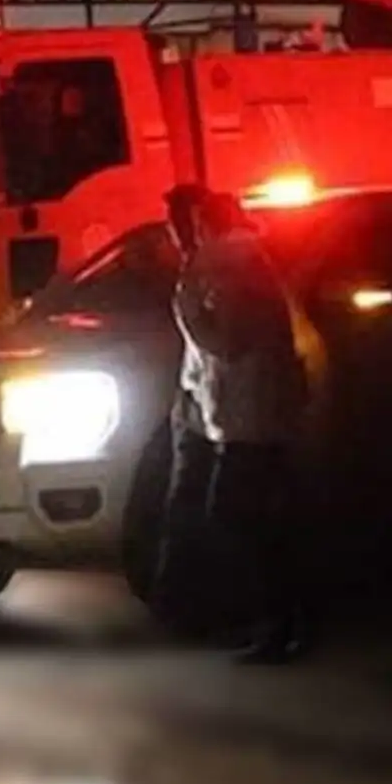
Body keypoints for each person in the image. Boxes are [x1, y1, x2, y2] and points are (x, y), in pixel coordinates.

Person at [170, 187, 313, 663]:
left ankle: (270, 622)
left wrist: (186, 309)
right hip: (259, 414)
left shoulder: (231, 265)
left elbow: (227, 343)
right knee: (266, 520)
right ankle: (282, 622)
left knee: (233, 517)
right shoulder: (247, 258)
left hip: (248, 418)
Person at [152, 185, 220, 632]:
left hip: (214, 405)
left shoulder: (213, 270)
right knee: (189, 503)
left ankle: (188, 602)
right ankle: (182, 602)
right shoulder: (196, 269)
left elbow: (217, 341)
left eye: (181, 221)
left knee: (206, 505)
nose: (176, 232)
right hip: (199, 403)